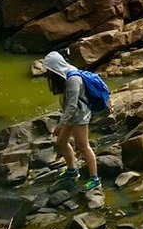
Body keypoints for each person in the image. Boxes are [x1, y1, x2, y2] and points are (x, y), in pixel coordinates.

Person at [43, 51, 101, 191]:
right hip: (72, 116)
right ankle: (72, 170)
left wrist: (60, 125)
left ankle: (95, 179)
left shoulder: (73, 79)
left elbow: (72, 105)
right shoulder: (67, 73)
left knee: (83, 146)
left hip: (80, 116)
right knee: (62, 142)